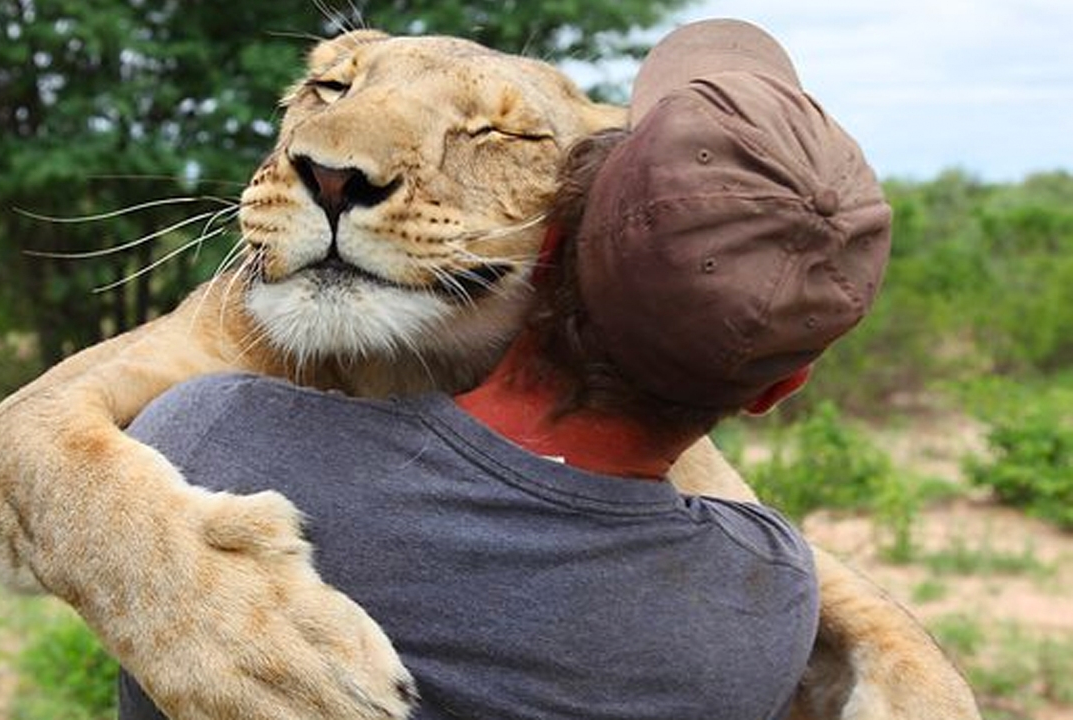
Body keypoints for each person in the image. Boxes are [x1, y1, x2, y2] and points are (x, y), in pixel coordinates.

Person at [119, 18, 891, 720]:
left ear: (550, 244)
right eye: (329, 89)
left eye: (501, 135)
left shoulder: (209, 437)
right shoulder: (770, 594)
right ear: (780, 389)